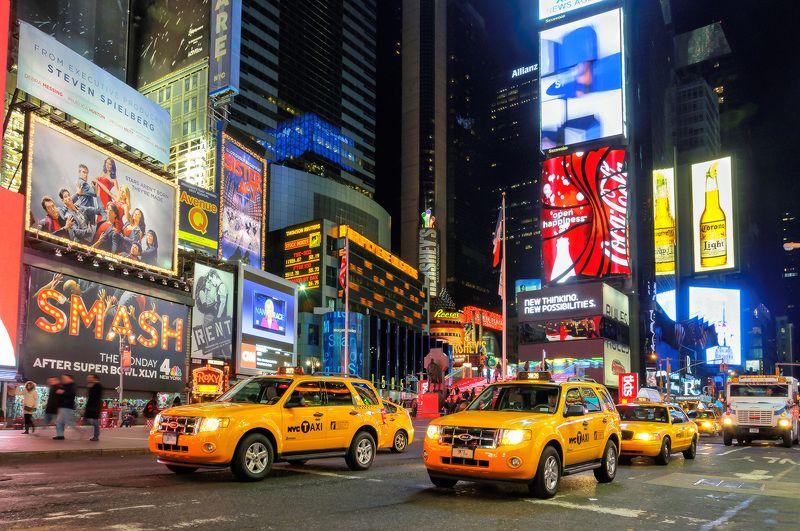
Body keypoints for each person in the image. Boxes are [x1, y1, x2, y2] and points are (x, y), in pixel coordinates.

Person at [53, 374, 77, 440]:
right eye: (63, 378)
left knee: (64, 422)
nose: (63, 379)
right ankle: (60, 435)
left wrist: (63, 392)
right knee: (61, 422)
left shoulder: (72, 385)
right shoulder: (65, 385)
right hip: (64, 406)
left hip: (67, 406)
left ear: (70, 378)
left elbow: (72, 394)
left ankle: (82, 432)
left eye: (65, 378)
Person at [84, 374, 103, 441]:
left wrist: (90, 388)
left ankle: (96, 436)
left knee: (95, 422)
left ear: (94, 378)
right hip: (91, 406)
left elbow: (94, 396)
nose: (88, 379)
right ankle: (95, 435)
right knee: (89, 420)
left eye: (90, 378)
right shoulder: (93, 385)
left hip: (95, 407)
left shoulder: (98, 386)